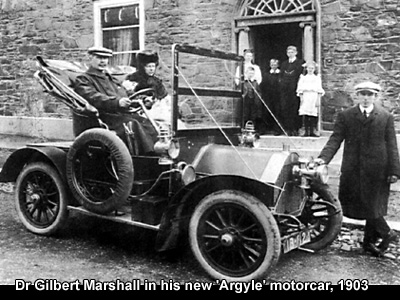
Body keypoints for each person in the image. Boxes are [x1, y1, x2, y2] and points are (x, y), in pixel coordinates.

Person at [316, 81, 400, 257]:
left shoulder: (385, 117)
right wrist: (323, 159)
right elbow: (335, 139)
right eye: (363, 94)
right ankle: (383, 236)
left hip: (378, 169)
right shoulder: (346, 116)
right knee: (362, 202)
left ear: (376, 97)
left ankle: (373, 240)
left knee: (373, 204)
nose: (366, 98)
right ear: (357, 96)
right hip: (353, 169)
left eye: (370, 95)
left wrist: (394, 170)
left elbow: (392, 145)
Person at [74, 46, 158, 155]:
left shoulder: (110, 78)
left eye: (105, 58)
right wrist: (117, 102)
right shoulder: (84, 79)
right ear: (90, 58)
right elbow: (93, 97)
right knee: (133, 124)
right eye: (99, 57)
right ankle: (146, 156)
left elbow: (127, 93)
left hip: (118, 115)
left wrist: (143, 99)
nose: (103, 61)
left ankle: (158, 152)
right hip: (102, 118)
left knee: (146, 122)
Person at [124, 50, 171, 125]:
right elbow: (130, 95)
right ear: (142, 67)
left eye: (153, 66)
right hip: (140, 110)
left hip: (157, 108)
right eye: (148, 66)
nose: (151, 69)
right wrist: (144, 100)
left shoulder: (156, 80)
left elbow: (164, 96)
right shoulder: (132, 78)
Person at [279, 45, 304, 136]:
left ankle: (295, 129)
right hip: (285, 90)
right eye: (289, 52)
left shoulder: (300, 63)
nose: (290, 54)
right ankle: (287, 129)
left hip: (295, 90)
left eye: (292, 52)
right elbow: (281, 76)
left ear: (296, 53)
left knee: (295, 109)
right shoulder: (284, 64)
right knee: (286, 108)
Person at [296, 61, 325, 137]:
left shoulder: (317, 78)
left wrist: (318, 99)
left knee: (313, 113)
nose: (310, 70)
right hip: (306, 95)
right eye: (309, 68)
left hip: (313, 96)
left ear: (314, 69)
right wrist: (301, 97)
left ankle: (313, 130)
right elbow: (300, 88)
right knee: (305, 113)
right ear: (306, 68)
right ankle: (305, 130)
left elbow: (319, 89)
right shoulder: (303, 77)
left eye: (312, 68)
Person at [260, 58, 281, 134]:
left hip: (278, 96)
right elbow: (263, 85)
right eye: (272, 64)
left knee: (277, 111)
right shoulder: (266, 74)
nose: (273, 66)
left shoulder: (280, 74)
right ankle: (266, 128)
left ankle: (277, 129)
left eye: (275, 64)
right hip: (268, 96)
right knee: (267, 111)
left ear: (278, 65)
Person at [242, 65, 263, 130]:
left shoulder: (255, 82)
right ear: (246, 73)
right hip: (245, 100)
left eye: (252, 73)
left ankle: (253, 129)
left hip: (253, 100)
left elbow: (258, 91)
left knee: (253, 114)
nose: (251, 75)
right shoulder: (243, 82)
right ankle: (244, 128)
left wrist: (258, 98)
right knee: (245, 114)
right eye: (249, 73)